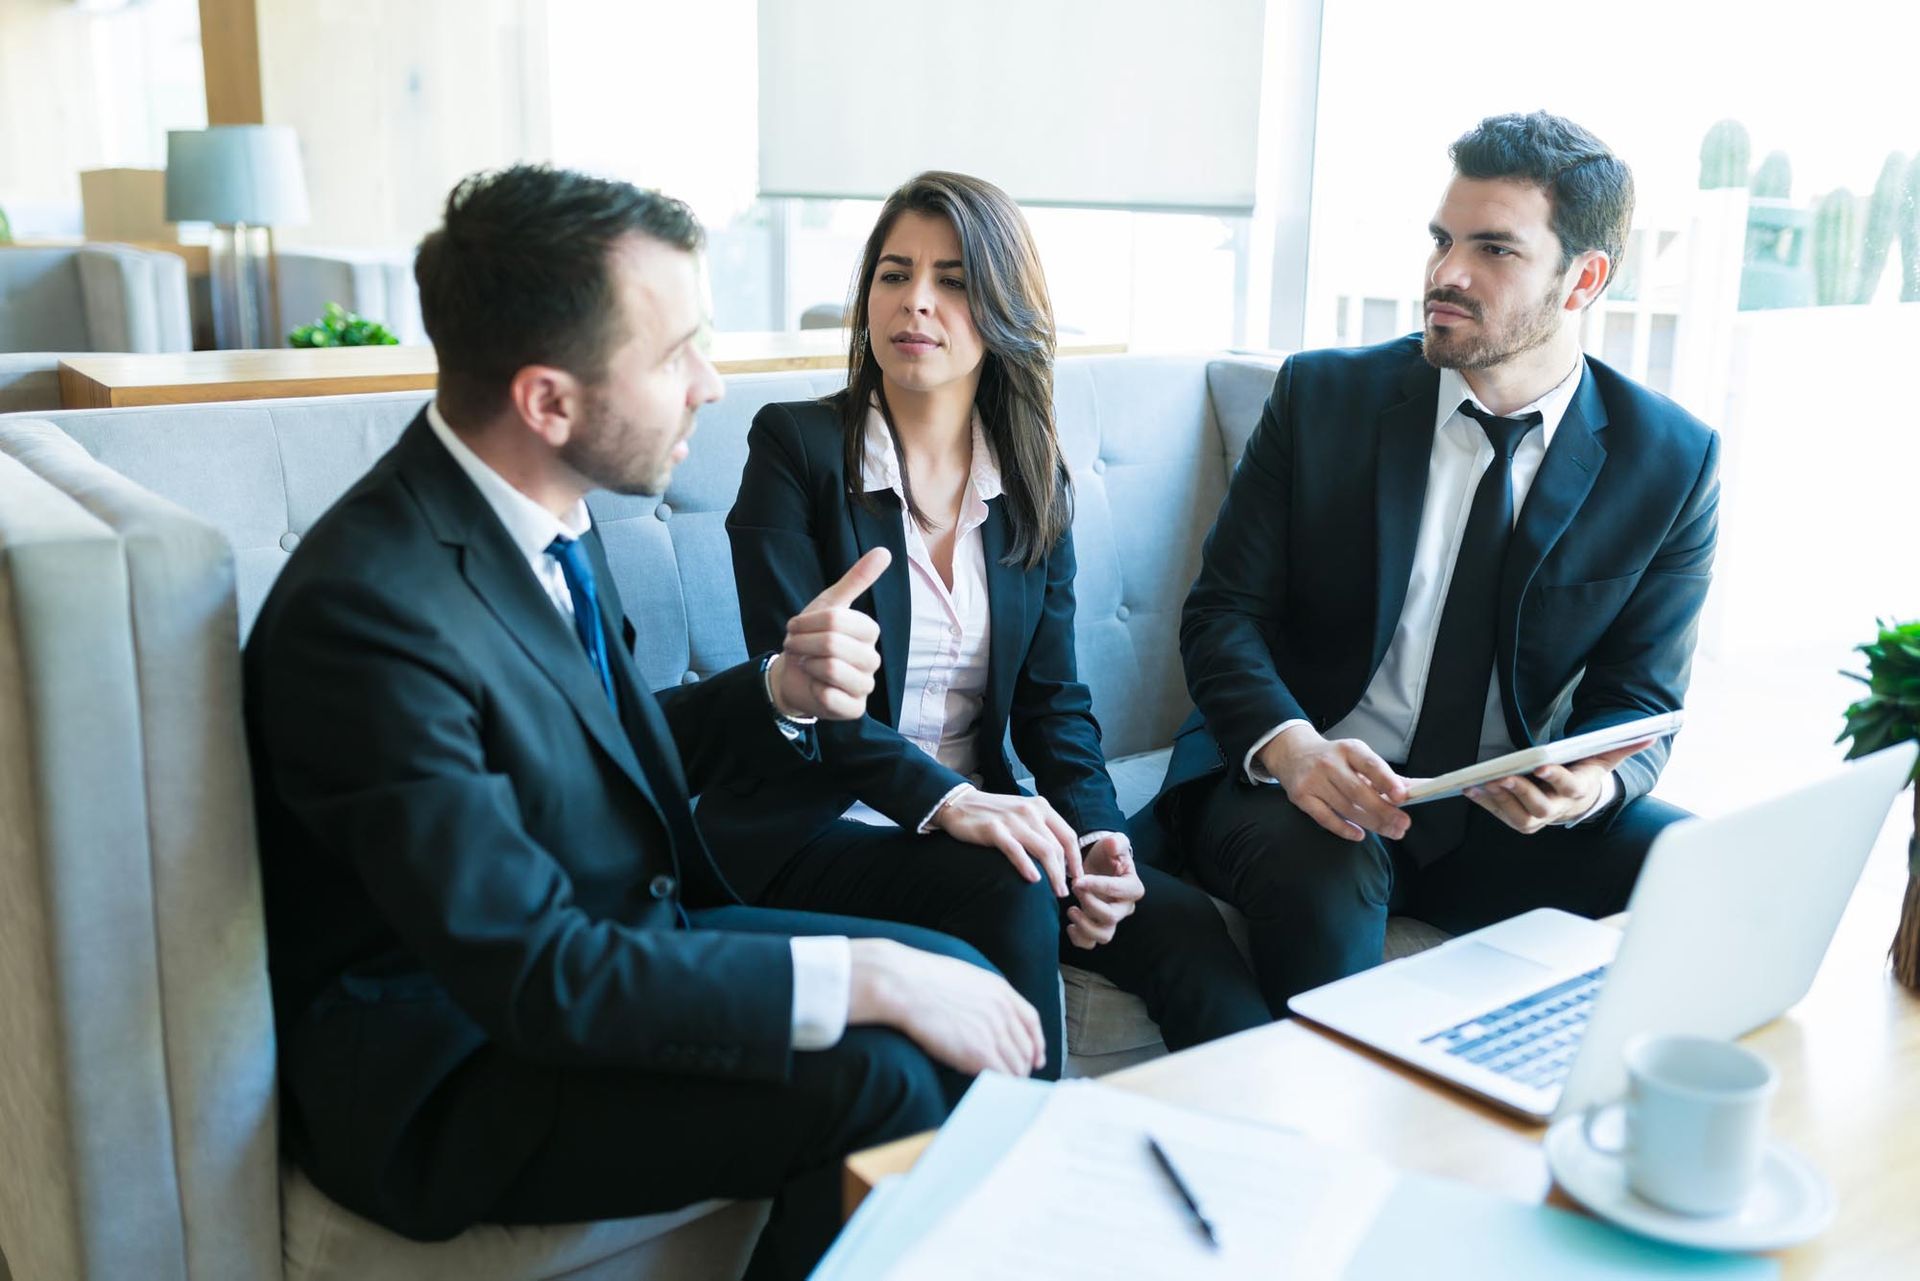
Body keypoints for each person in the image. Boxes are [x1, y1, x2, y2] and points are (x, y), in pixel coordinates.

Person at [242, 164, 1049, 1281]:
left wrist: (779, 691)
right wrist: (862, 976)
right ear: (548, 400)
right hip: (452, 1060)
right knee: (890, 1073)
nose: (709, 385)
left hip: (603, 948)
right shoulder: (366, 617)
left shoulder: (532, 510)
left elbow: (595, 750)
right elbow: (529, 970)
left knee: (969, 979)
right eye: (674, 356)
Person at [698, 171, 1269, 1076]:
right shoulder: (794, 449)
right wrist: (953, 804)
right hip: (820, 823)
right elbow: (805, 694)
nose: (915, 301)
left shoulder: (1034, 486)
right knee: (1008, 882)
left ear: (1001, 306)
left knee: (1176, 918)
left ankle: (1274, 1155)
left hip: (986, 818)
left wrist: (1095, 833)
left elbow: (1054, 704)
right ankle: (1022, 1166)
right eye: (894, 274)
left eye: (953, 279)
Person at [1149, 113, 1719, 1014]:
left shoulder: (1672, 459)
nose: (1446, 273)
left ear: (1586, 278)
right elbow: (1223, 614)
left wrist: (1590, 786)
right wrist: (1292, 750)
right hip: (1300, 784)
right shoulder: (1321, 397)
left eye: (1495, 249)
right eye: (1443, 240)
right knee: (1319, 879)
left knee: (1699, 875)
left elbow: (1643, 699)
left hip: (1496, 815)